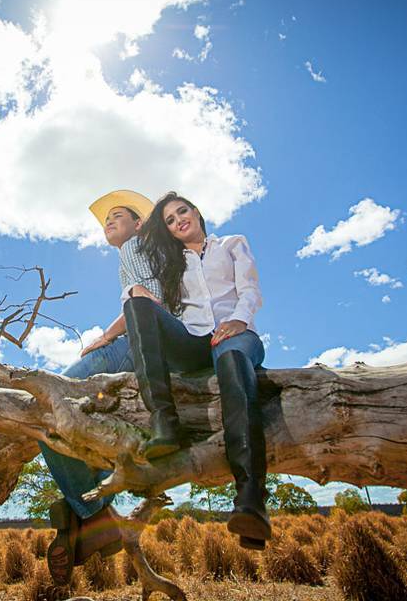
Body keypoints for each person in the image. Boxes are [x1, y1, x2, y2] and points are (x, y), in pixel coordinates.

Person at [123, 191, 269, 550]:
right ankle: (164, 422)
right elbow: (144, 276)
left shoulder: (233, 244)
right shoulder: (173, 264)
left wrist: (238, 321)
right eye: (169, 221)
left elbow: (250, 291)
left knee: (234, 361)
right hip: (192, 340)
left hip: (236, 335)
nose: (177, 221)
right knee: (136, 301)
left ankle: (251, 501)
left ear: (197, 211)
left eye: (181, 212)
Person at [43, 190, 163, 584]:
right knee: (66, 422)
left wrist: (110, 339)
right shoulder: (138, 254)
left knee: (50, 407)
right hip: (137, 343)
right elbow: (139, 299)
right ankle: (90, 516)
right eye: (107, 218)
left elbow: (147, 301)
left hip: (136, 346)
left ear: (139, 224)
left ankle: (92, 514)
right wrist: (109, 335)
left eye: (117, 215)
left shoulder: (136, 247)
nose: (109, 223)